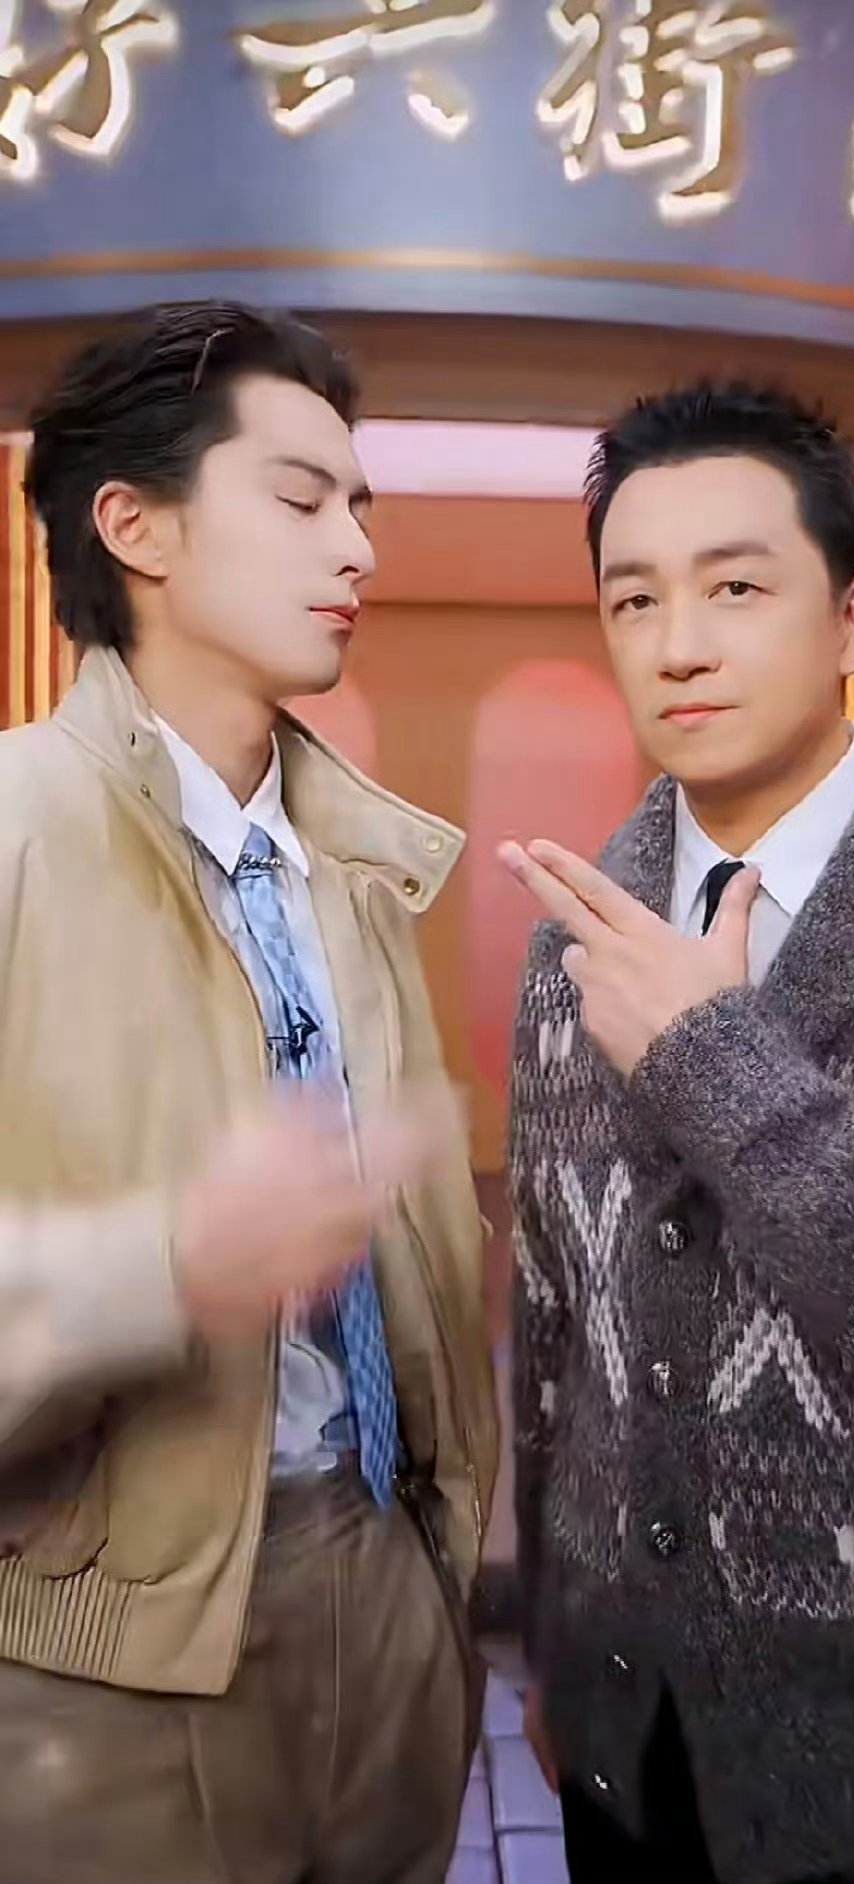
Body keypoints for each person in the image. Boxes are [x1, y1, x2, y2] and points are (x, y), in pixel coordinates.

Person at [501, 380, 854, 1884]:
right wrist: (559, 1656)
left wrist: (719, 1064)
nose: (677, 644)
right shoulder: (578, 944)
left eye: (738, 588)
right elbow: (553, 1344)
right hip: (631, 1733)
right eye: (634, 598)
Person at [0, 300, 497, 1884]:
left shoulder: (352, 872)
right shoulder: (13, 833)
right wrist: (169, 1266)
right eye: (300, 499)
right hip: (106, 1661)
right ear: (132, 525)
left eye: (361, 504)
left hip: (387, 1585)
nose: (358, 548)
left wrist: (435, 1565)